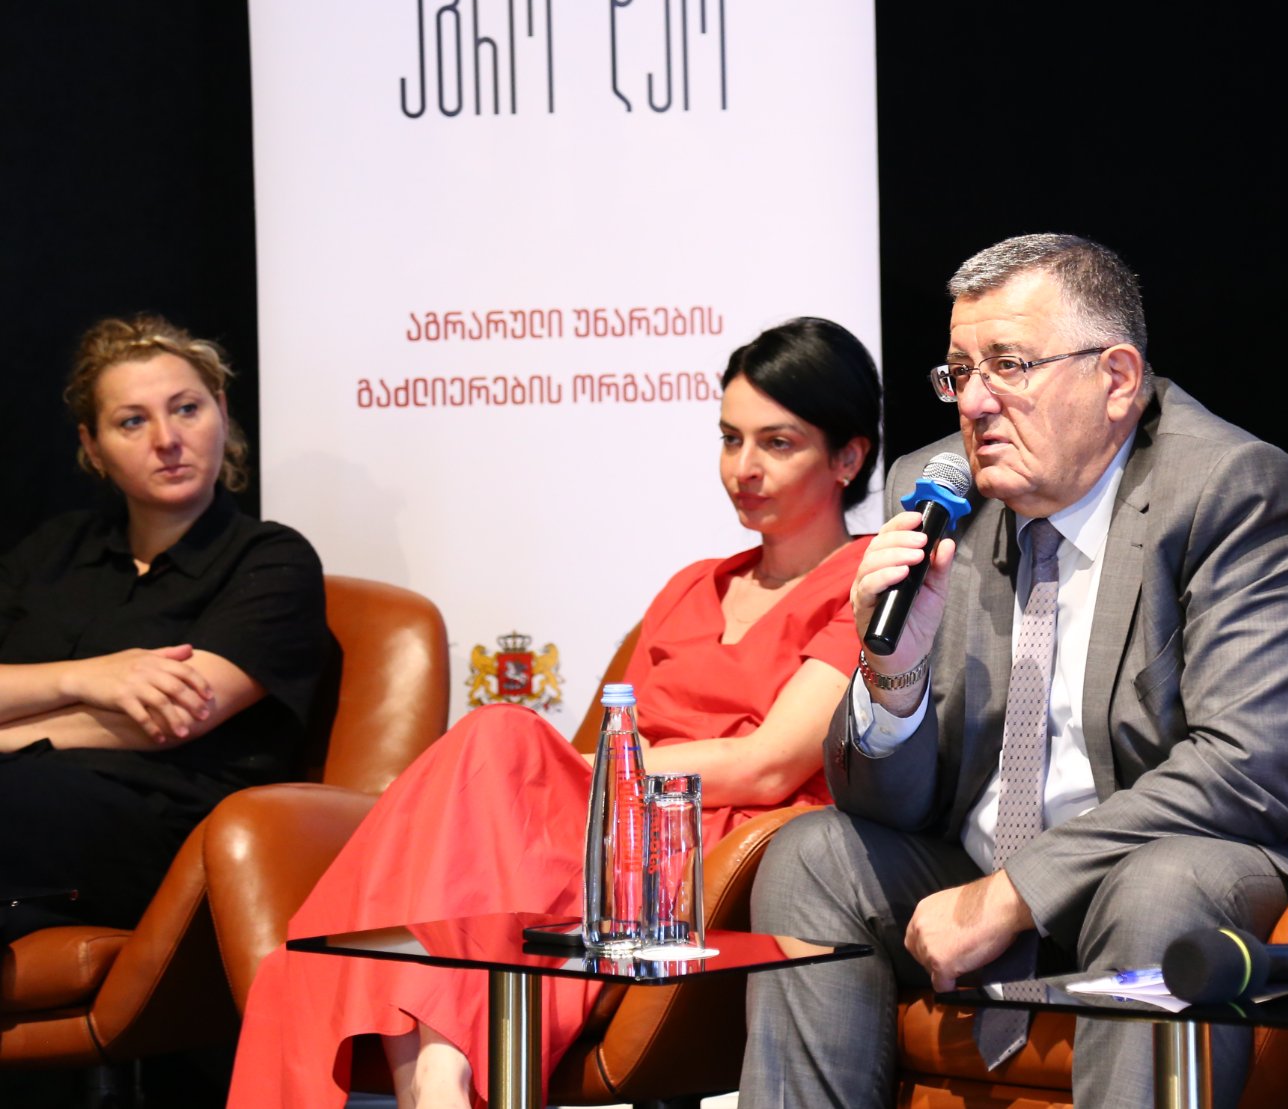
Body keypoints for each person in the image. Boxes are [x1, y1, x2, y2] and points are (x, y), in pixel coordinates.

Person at [741, 234, 1288, 1108]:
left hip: (1184, 866)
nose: (975, 401)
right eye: (959, 372)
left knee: (1159, 887)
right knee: (812, 855)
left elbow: (1252, 762)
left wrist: (1017, 891)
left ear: (1117, 379)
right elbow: (883, 805)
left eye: (1009, 365)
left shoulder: (1232, 489)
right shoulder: (935, 491)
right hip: (984, 865)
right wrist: (892, 669)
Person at [224, 316, 881, 1109]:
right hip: (607, 827)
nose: (743, 468)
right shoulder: (690, 585)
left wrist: (575, 771)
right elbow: (619, 734)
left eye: (778, 443)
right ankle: (434, 1078)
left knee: (502, 739)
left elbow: (769, 763)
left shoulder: (864, 583)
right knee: (489, 778)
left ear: (847, 457)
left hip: (709, 848)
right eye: (730, 438)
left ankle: (436, 1083)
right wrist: (578, 776)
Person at [1, 314, 333, 942]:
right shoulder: (53, 550)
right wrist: (85, 677)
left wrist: (10, 731)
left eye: (186, 409)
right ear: (92, 446)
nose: (167, 439)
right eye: (132, 421)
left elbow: (172, 717)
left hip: (162, 834)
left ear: (222, 414)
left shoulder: (271, 559)